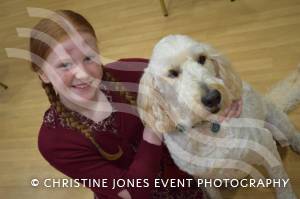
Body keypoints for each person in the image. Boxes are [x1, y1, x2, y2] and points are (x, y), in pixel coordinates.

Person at [31, 9, 241, 199]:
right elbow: (133, 192)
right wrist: (154, 124)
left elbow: (191, 80)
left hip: (181, 170)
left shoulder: (134, 71)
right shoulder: (54, 142)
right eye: (64, 65)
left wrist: (228, 95)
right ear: (42, 73)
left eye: (89, 57)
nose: (83, 74)